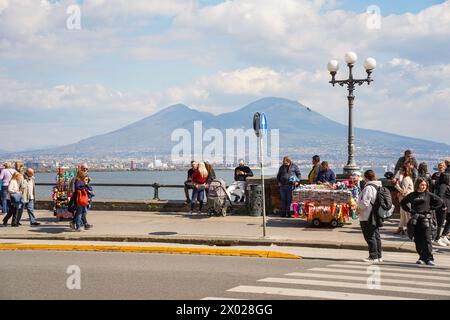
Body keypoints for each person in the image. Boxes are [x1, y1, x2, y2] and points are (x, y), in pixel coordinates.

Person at [400, 177, 446, 266]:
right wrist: (409, 210)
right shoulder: (412, 195)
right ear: (417, 185)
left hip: (426, 219)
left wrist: (431, 208)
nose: (423, 186)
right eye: (422, 185)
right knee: (418, 240)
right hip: (415, 220)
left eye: (425, 185)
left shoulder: (428, 194)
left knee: (427, 239)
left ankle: (429, 258)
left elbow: (440, 201)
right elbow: (403, 203)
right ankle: (421, 257)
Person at [354, 170, 383, 263]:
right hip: (376, 214)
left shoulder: (368, 188)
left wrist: (358, 209)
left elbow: (364, 203)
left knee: (370, 236)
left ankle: (373, 256)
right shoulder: (378, 186)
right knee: (376, 235)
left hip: (367, 215)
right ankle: (378, 256)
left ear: (366, 178)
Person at [392, 166, 414, 235]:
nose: (400, 172)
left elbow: (403, 191)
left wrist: (396, 185)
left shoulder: (406, 179)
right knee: (403, 215)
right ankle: (400, 228)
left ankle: (409, 229)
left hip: (406, 199)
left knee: (407, 215)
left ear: (404, 171)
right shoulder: (407, 178)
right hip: (406, 199)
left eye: (401, 170)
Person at [436, 172, 450, 246]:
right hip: (443, 208)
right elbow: (440, 196)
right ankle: (437, 239)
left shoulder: (446, 185)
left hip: (448, 208)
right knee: (440, 223)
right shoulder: (443, 186)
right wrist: (443, 205)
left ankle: (444, 236)